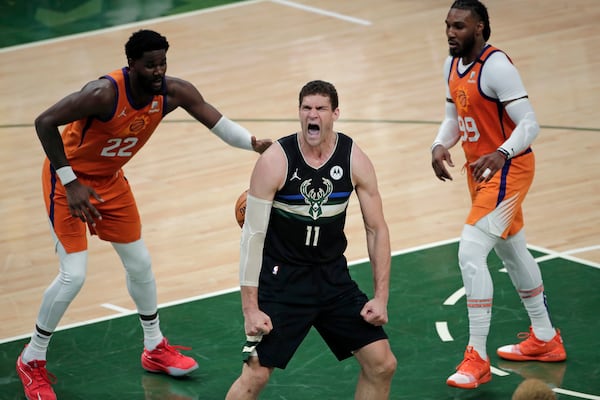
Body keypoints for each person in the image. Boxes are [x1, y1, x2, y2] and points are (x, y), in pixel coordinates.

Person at [16, 29, 272, 400]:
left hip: (109, 181)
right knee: (73, 275)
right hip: (68, 181)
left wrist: (252, 144)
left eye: (162, 63)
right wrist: (70, 182)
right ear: (132, 64)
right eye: (150, 65)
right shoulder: (102, 94)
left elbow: (216, 121)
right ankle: (32, 359)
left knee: (139, 263)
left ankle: (154, 347)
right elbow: (44, 122)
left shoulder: (172, 92)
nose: (158, 71)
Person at [225, 80, 397, 399]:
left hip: (333, 278)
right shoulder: (275, 161)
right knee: (255, 376)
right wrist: (250, 308)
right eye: (306, 108)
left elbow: (377, 229)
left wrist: (381, 297)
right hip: (283, 280)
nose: (312, 115)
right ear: (299, 113)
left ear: (335, 114)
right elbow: (253, 236)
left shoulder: (353, 158)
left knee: (382, 364)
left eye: (320, 108)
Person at [430, 0, 567, 390]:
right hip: (482, 172)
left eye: (459, 26)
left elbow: (530, 124)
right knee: (512, 249)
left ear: (481, 28)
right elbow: (454, 119)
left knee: (470, 252)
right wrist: (439, 146)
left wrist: (501, 151)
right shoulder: (450, 66)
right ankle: (544, 337)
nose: (451, 33)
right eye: (448, 26)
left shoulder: (497, 67)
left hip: (509, 170)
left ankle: (477, 357)